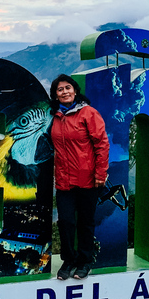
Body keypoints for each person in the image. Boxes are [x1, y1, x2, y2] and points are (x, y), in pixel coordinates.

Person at [49, 74, 109, 280]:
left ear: (75, 90)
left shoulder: (88, 113)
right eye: (60, 89)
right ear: (55, 95)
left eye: (68, 88)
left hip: (88, 180)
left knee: (85, 221)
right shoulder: (55, 116)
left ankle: (85, 261)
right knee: (65, 221)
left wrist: (101, 173)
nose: (64, 92)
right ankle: (68, 260)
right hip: (64, 180)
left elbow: (102, 144)